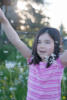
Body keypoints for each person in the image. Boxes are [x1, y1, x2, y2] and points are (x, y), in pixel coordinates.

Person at [0, 8, 67, 100]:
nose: (41, 46)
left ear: (56, 45)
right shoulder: (31, 58)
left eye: (47, 42)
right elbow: (16, 41)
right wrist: (4, 20)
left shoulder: (59, 61)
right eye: (39, 42)